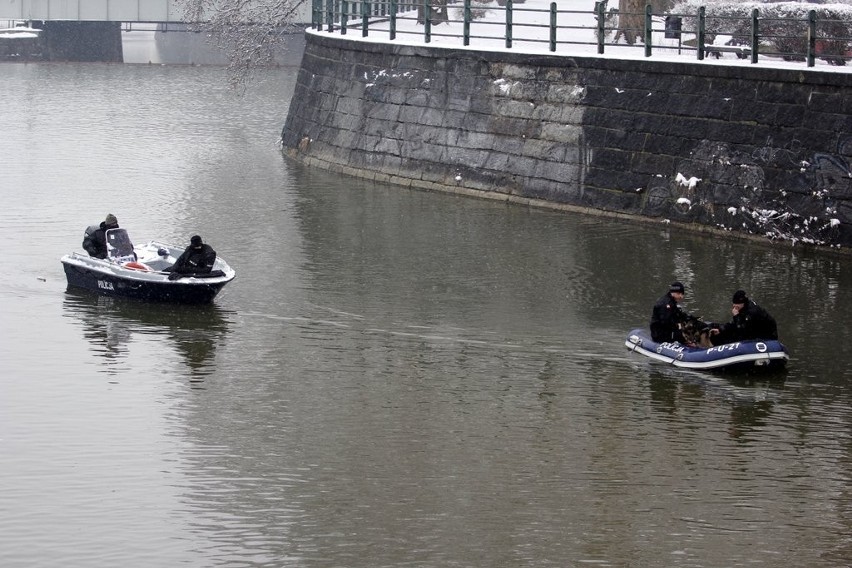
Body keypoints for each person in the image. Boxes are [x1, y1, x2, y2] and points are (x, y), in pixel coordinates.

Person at [710, 290, 778, 345]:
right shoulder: (743, 308)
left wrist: (736, 316)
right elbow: (735, 324)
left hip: (764, 336)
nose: (734, 307)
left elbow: (742, 331)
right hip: (751, 330)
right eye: (734, 304)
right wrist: (721, 329)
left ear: (743, 303)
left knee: (732, 339)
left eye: (737, 305)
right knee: (720, 335)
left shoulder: (752, 312)